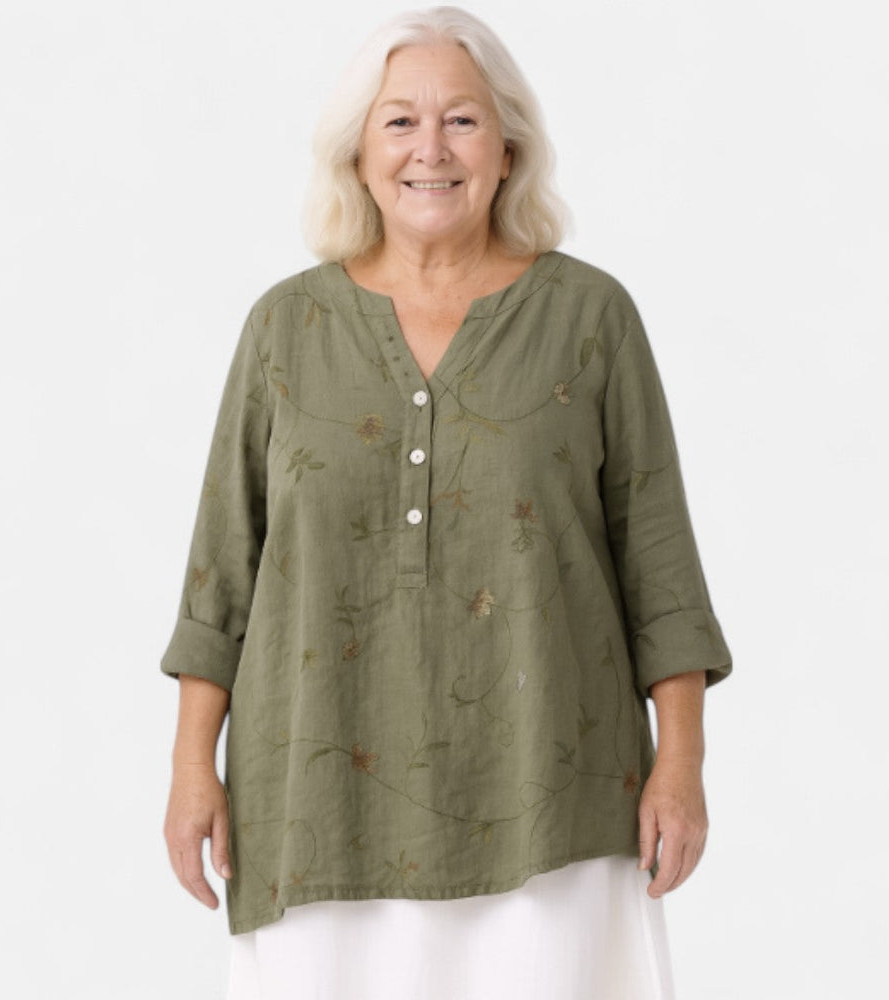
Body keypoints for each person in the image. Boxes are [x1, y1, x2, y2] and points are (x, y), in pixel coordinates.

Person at [160, 6, 732, 999]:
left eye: (462, 120)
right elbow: (223, 570)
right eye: (399, 122)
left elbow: (660, 566)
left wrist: (679, 768)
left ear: (508, 150)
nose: (431, 149)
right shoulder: (284, 330)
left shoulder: (588, 319)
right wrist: (189, 769)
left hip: (553, 804)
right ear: (358, 153)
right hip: (313, 802)